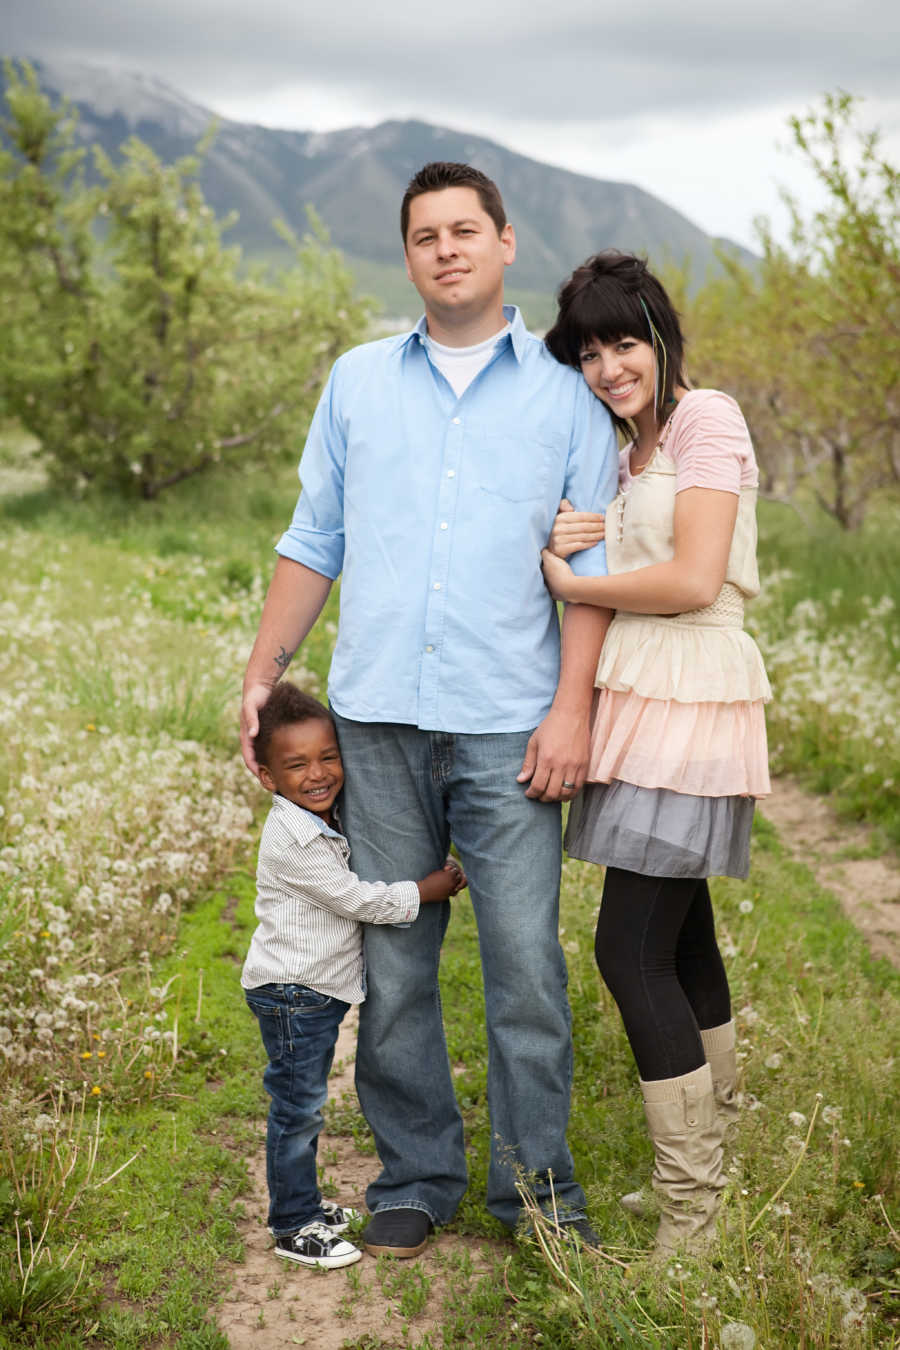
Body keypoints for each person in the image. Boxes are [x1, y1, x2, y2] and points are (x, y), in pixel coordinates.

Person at [241, 162, 619, 1257]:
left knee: (526, 970)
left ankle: (537, 1198)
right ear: (408, 257)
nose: (445, 248)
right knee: (396, 964)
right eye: (424, 235)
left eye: (466, 230)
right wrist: (265, 671)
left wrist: (570, 710)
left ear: (506, 245)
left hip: (510, 722)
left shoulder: (565, 397)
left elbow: (583, 568)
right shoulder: (359, 381)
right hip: (377, 720)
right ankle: (415, 1176)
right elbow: (315, 540)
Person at [540, 251, 771, 1253]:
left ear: (660, 337)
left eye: (623, 342)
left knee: (627, 951)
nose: (608, 366)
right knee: (680, 943)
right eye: (588, 352)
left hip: (693, 696)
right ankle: (713, 1162)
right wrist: (577, 541)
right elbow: (634, 559)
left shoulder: (705, 419)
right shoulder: (623, 452)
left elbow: (695, 576)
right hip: (646, 700)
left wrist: (573, 581)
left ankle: (695, 1210)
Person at [241, 681, 466, 1269]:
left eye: (329, 757)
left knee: (303, 1103)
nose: (318, 774)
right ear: (268, 778)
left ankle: (306, 1202)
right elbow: (357, 898)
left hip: (311, 989)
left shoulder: (322, 817)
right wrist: (426, 890)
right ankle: (293, 1222)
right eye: (296, 765)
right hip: (293, 993)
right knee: (298, 1108)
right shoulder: (292, 839)